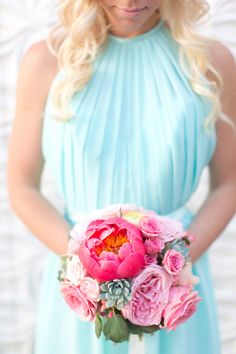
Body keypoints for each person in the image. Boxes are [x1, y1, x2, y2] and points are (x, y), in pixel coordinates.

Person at [7, 1, 236, 354]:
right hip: (80, 290)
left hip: (176, 286)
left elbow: (230, 182)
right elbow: (22, 185)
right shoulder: (46, 61)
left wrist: (171, 266)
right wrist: (85, 269)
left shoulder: (212, 63)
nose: (130, 1)